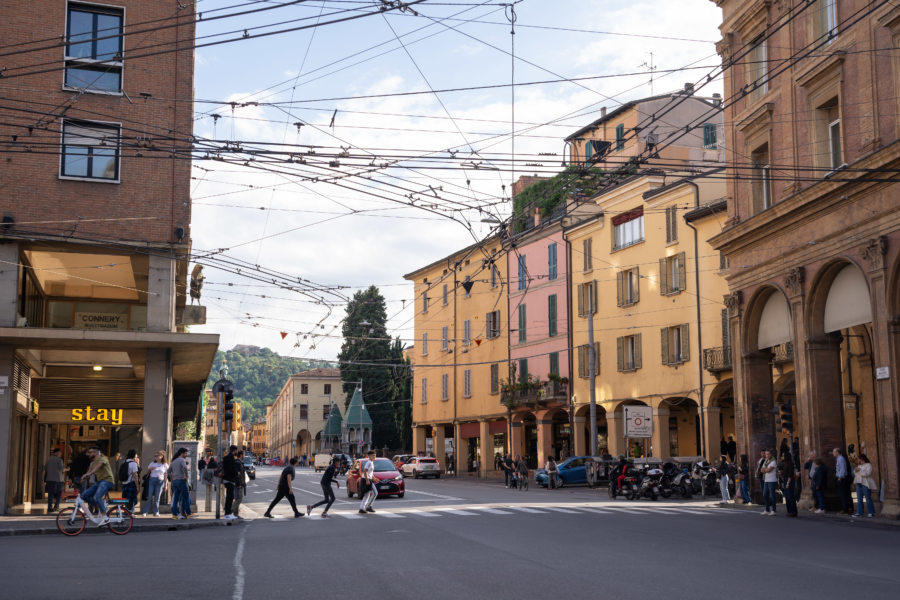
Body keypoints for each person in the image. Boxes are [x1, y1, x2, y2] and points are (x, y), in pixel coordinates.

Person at [81, 447, 115, 524]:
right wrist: (82, 478)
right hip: (99, 482)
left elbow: (98, 466)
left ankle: (105, 517)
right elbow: (88, 473)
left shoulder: (103, 459)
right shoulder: (92, 464)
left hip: (107, 481)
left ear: (96, 453)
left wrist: (89, 473)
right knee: (84, 495)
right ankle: (101, 505)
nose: (88, 454)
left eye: (90, 452)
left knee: (97, 496)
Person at [142, 451, 168, 517]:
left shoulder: (165, 465)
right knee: (149, 497)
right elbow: (146, 473)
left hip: (160, 481)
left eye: (157, 455)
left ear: (162, 456)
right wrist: (150, 469)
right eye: (155, 456)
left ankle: (156, 512)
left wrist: (166, 485)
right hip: (152, 480)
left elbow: (166, 475)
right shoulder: (152, 463)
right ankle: (145, 511)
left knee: (157, 498)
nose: (156, 457)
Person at [852, 454, 877, 518]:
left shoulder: (868, 465)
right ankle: (859, 512)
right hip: (859, 483)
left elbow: (867, 473)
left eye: (858, 459)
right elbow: (855, 473)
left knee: (868, 498)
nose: (858, 460)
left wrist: (859, 471)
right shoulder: (859, 466)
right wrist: (855, 470)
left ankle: (871, 512)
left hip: (865, 484)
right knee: (859, 499)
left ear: (862, 459)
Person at [170, 447, 192, 519]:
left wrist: (172, 477)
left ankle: (174, 514)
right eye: (185, 453)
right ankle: (189, 513)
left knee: (176, 498)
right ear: (182, 453)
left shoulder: (174, 461)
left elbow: (168, 471)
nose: (186, 454)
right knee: (186, 497)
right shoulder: (182, 460)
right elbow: (185, 468)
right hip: (182, 480)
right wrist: (186, 476)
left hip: (175, 481)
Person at [44, 447, 66, 512]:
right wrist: (66, 469)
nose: (61, 453)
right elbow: (62, 469)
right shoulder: (59, 460)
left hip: (49, 479)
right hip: (58, 480)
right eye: (60, 452)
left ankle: (49, 507)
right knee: (59, 493)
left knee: (50, 494)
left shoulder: (48, 460)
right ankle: (56, 506)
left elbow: (46, 469)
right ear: (56, 453)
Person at [833, 448, 852, 514]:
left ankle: (845, 509)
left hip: (842, 479)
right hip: (842, 478)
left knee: (843, 494)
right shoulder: (839, 459)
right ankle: (849, 508)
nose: (833, 453)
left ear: (838, 452)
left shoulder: (840, 459)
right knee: (846, 494)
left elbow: (843, 469)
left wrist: (840, 477)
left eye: (834, 452)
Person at [222, 445, 240, 519]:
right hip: (229, 479)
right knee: (230, 497)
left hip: (227, 479)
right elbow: (231, 469)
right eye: (236, 450)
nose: (237, 452)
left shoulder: (228, 457)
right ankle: (227, 513)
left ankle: (228, 512)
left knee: (229, 496)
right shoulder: (230, 457)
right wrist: (236, 473)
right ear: (234, 450)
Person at [778, 453, 798, 517]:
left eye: (783, 456)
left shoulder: (790, 464)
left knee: (790, 496)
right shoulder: (784, 463)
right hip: (785, 479)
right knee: (787, 496)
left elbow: (790, 474)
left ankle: (793, 511)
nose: (782, 457)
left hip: (789, 480)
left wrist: (787, 483)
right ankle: (789, 511)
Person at [359, 450, 378, 514]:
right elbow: (365, 471)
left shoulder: (371, 462)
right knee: (375, 493)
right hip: (366, 479)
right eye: (373, 455)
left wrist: (374, 478)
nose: (374, 457)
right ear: (369, 456)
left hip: (367, 479)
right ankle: (369, 506)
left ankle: (362, 508)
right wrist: (367, 480)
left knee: (367, 495)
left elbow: (370, 472)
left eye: (375, 455)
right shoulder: (369, 462)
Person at [760, 449, 778, 515]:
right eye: (766, 454)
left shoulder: (773, 461)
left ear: (771, 454)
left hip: (772, 480)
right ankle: (767, 509)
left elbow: (769, 470)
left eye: (768, 454)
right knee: (765, 495)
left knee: (772, 496)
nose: (766, 455)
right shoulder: (766, 461)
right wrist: (765, 469)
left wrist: (765, 469)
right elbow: (761, 470)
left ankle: (773, 510)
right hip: (766, 480)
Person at [232, 450, 247, 519]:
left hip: (242, 483)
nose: (244, 456)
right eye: (244, 454)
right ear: (241, 455)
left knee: (238, 498)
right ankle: (229, 510)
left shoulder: (240, 462)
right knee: (239, 498)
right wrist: (239, 484)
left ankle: (235, 513)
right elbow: (237, 475)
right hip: (239, 484)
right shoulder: (238, 463)